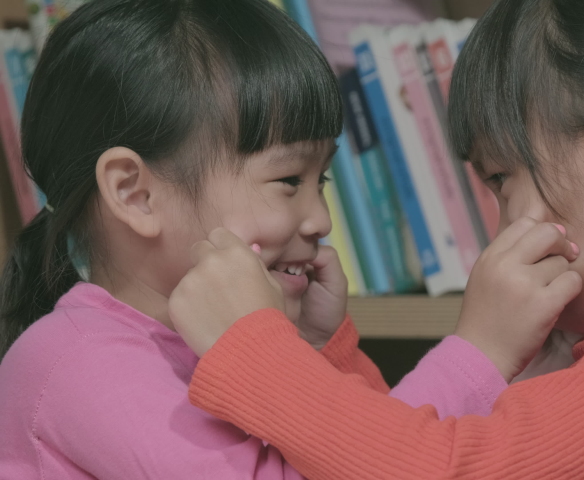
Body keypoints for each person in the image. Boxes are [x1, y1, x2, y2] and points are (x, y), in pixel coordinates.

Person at [169, 0, 584, 478]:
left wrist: (252, 349)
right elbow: (400, 447)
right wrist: (331, 353)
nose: (502, 226)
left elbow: (435, 470)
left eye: (503, 179)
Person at [0, 0, 518, 477]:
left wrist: (319, 351)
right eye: (288, 180)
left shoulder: (211, 345)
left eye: (323, 181)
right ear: (135, 195)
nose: (320, 219)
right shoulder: (81, 363)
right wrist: (482, 351)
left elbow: (378, 446)